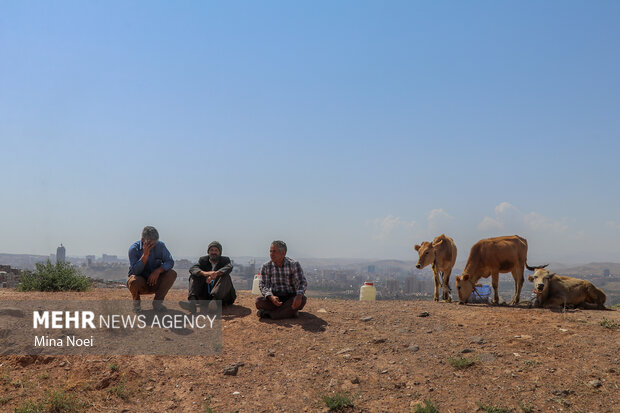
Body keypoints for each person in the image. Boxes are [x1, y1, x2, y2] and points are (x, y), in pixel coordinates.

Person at [127, 226, 176, 312]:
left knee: (171, 274)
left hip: (155, 281)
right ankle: (136, 304)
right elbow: (135, 271)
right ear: (143, 240)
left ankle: (157, 304)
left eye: (154, 243)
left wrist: (158, 271)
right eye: (150, 244)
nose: (153, 246)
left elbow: (170, 262)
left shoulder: (160, 246)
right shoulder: (134, 249)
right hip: (141, 282)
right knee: (133, 281)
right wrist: (144, 256)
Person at [255, 240, 307, 319]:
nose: (271, 254)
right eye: (270, 251)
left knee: (302, 300)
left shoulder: (293, 264)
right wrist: (271, 297)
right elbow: (263, 284)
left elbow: (302, 282)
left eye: (274, 251)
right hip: (275, 298)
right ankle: (289, 312)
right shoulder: (266, 266)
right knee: (259, 301)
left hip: (290, 297)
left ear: (283, 253)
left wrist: (299, 296)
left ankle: (268, 314)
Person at [181, 241, 236, 313]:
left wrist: (215, 274)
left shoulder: (225, 260)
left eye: (216, 250)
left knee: (225, 276)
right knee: (194, 275)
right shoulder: (203, 260)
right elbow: (193, 269)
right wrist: (205, 273)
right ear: (208, 252)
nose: (213, 252)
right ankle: (192, 302)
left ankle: (214, 303)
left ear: (220, 252)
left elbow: (228, 267)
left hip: (222, 297)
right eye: (211, 250)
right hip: (206, 296)